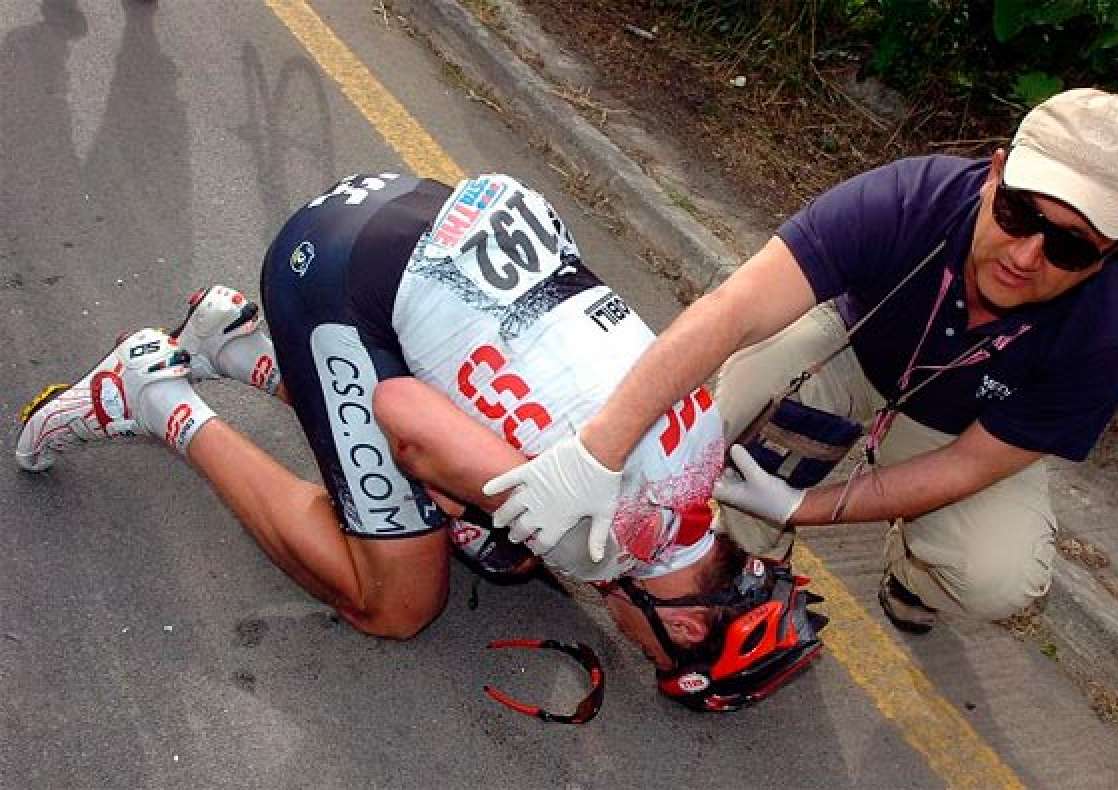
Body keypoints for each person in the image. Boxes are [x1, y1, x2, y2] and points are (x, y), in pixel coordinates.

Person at [15, 172, 823, 710]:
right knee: (399, 600)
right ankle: (155, 398)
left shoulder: (702, 466)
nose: (635, 646)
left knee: (502, 532)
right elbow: (399, 414)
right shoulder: (605, 542)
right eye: (655, 656)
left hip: (426, 212)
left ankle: (234, 345)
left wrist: (469, 495)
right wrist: (442, 488)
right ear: (683, 628)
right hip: (332, 272)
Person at [483, 88, 1118, 633]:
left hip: (960, 430)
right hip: (851, 350)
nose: (1025, 256)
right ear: (994, 174)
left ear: (1116, 250)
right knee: (742, 397)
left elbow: (968, 466)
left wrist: (806, 506)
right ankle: (752, 551)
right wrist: (597, 451)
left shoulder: (1106, 334)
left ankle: (914, 576)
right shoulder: (906, 201)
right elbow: (734, 311)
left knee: (996, 575)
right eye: (1018, 213)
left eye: (1070, 247)